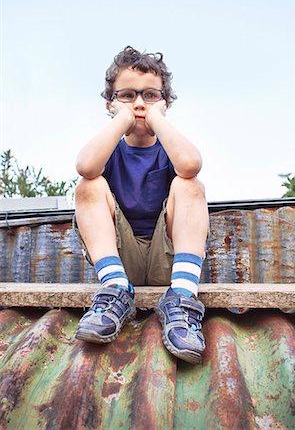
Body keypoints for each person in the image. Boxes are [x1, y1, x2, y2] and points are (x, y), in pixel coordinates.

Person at [74, 46, 209, 364]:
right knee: (88, 185)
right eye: (127, 96)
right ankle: (115, 289)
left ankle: (183, 297)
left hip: (169, 261)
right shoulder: (110, 151)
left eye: (150, 95)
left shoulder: (169, 148)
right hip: (121, 261)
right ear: (109, 103)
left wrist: (156, 119)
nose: (138, 104)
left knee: (189, 184)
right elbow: (85, 166)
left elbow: (190, 164)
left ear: (165, 103)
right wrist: (121, 121)